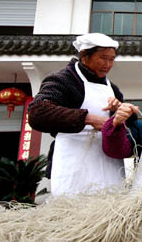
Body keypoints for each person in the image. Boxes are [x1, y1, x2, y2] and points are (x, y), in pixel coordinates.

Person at [28, 33, 125, 195]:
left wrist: (121, 110)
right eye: (103, 58)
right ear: (84, 56)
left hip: (108, 160)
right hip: (73, 161)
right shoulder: (63, 80)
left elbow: (122, 125)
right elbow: (37, 112)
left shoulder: (112, 88)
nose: (108, 64)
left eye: (112, 59)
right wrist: (86, 118)